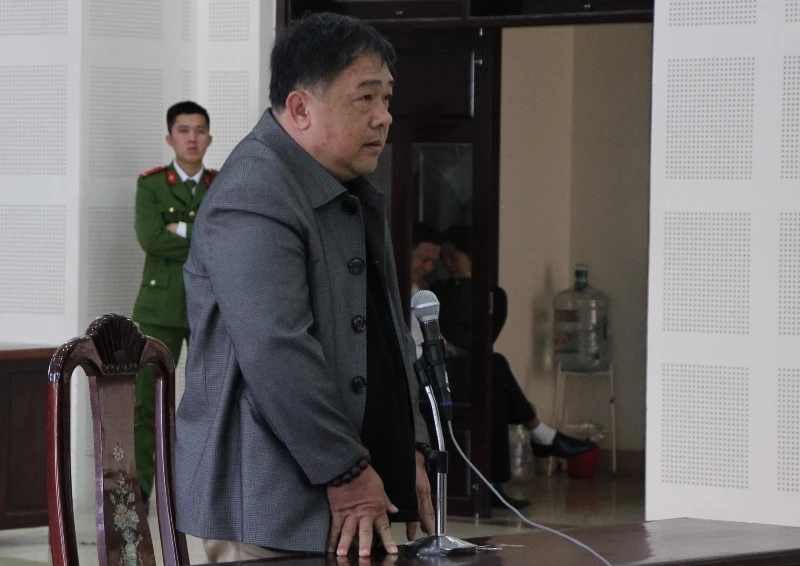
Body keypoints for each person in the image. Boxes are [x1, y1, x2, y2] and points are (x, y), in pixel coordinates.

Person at [174, 13, 435, 562]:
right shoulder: (255, 192)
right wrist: (346, 471)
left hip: (355, 488)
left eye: (387, 98)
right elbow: (277, 348)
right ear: (300, 109)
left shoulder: (345, 186)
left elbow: (388, 331)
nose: (384, 117)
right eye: (365, 98)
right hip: (273, 503)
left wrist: (409, 446)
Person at [434, 225, 596, 509]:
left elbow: (482, 340)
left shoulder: (494, 294)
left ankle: (494, 485)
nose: (448, 264)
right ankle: (541, 433)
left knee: (495, 390)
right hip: (444, 370)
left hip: (470, 366)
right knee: (496, 365)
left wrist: (469, 286)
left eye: (454, 256)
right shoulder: (438, 292)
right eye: (444, 258)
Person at [132, 100, 214, 509]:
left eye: (199, 131)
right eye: (184, 130)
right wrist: (202, 237)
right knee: (145, 400)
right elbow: (150, 238)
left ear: (209, 139)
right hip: (160, 306)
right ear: (170, 138)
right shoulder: (151, 184)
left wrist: (179, 227)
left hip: (209, 305)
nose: (192, 138)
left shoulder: (222, 183)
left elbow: (228, 239)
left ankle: (201, 492)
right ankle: (140, 492)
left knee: (210, 399)